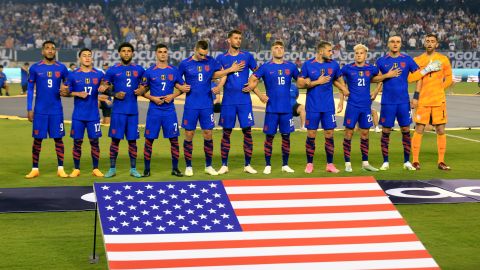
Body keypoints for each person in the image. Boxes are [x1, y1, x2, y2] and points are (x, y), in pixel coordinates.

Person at [373, 35, 442, 171]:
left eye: (398, 42)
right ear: (388, 44)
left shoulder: (407, 60)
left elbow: (419, 77)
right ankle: (385, 162)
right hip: (388, 102)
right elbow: (374, 78)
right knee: (386, 130)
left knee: (405, 130)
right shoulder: (381, 61)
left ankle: (406, 161)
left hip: (403, 102)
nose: (395, 44)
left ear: (401, 44)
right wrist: (387, 76)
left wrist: (416, 96)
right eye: (392, 41)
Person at [178, 40, 243, 177]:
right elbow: (176, 81)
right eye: (201, 54)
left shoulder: (211, 61)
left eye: (205, 54)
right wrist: (181, 87)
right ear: (195, 49)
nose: (203, 57)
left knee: (208, 134)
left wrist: (229, 70)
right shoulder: (185, 63)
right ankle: (188, 166)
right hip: (191, 105)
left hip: (207, 104)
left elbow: (217, 74)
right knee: (189, 135)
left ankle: (208, 166)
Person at [341, 44, 401, 172]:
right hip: (352, 105)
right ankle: (347, 163)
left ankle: (365, 163)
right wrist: (343, 90)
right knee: (349, 133)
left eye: (361, 53)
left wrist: (383, 81)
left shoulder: (371, 69)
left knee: (365, 133)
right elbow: (338, 78)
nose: (358, 55)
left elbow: (378, 78)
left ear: (365, 55)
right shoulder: (347, 68)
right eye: (356, 53)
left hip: (365, 106)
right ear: (354, 54)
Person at [244, 40, 298, 174]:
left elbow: (301, 81)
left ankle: (285, 164)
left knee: (286, 137)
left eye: (281, 48)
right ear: (272, 51)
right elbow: (252, 80)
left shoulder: (291, 67)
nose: (279, 50)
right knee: (269, 137)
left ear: (284, 51)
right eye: (276, 47)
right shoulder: (266, 67)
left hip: (286, 109)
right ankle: (267, 165)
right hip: (271, 109)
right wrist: (260, 95)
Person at [296, 41, 349, 174]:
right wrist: (316, 82)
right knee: (311, 134)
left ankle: (330, 164)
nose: (331, 53)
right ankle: (309, 164)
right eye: (329, 51)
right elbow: (300, 84)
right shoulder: (308, 64)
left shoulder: (334, 65)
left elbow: (339, 82)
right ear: (321, 51)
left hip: (328, 107)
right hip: (313, 106)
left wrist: (342, 99)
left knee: (329, 134)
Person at [140, 44, 189, 177]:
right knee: (149, 140)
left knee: (174, 140)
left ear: (167, 54)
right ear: (156, 54)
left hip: (169, 111)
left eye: (165, 52)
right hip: (154, 111)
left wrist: (172, 96)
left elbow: (182, 88)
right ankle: (147, 169)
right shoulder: (149, 71)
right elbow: (141, 91)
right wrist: (153, 98)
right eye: (160, 52)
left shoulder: (173, 71)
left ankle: (175, 168)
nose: (162, 54)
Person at [215, 29, 258, 175]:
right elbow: (214, 74)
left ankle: (248, 165)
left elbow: (258, 73)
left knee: (248, 132)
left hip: (244, 101)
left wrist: (252, 85)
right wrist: (230, 70)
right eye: (235, 38)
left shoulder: (247, 56)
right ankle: (224, 165)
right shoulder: (221, 58)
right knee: (226, 132)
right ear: (229, 40)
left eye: (240, 38)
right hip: (228, 101)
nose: (238, 40)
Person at [25, 40, 69, 179]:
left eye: (53, 48)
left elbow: (68, 86)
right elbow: (30, 89)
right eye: (47, 48)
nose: (50, 50)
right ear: (42, 51)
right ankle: (35, 168)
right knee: (37, 140)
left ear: (55, 51)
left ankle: (60, 168)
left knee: (58, 139)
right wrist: (29, 108)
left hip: (56, 110)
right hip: (40, 111)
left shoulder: (62, 68)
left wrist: (67, 90)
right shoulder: (35, 68)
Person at [62, 48, 107, 177]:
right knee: (77, 142)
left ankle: (96, 168)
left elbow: (107, 86)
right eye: (84, 56)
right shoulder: (73, 74)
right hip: (78, 116)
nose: (87, 58)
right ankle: (76, 168)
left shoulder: (99, 74)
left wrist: (105, 87)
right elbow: (64, 92)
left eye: (89, 55)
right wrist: (77, 93)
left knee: (95, 142)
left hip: (93, 115)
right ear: (79, 58)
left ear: (92, 58)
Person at [410, 33, 453, 170]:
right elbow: (411, 78)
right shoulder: (418, 60)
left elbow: (450, 78)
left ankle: (441, 161)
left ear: (437, 44)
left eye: (432, 41)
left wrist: (441, 88)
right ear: (424, 43)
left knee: (440, 129)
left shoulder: (443, 59)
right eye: (427, 41)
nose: (429, 43)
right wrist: (426, 70)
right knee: (419, 129)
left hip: (438, 100)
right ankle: (415, 161)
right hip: (423, 100)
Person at [103, 42, 145, 178]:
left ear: (132, 53)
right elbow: (103, 87)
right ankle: (112, 168)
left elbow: (146, 85)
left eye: (128, 51)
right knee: (115, 140)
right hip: (118, 111)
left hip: (133, 111)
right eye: (123, 51)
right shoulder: (112, 70)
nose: (126, 53)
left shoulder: (139, 70)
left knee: (132, 141)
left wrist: (142, 90)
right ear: (119, 53)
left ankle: (133, 169)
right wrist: (114, 94)